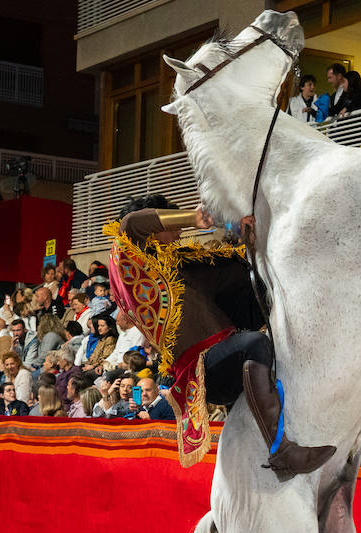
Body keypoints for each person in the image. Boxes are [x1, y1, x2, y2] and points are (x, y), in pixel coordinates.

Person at [111, 195, 338, 476]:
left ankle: (340, 434)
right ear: (156, 227)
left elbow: (240, 281)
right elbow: (130, 224)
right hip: (201, 367)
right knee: (254, 343)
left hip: (227, 357)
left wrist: (251, 242)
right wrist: (194, 218)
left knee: (284, 355)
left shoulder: (185, 267)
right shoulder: (131, 265)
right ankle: (282, 452)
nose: (181, 232)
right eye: (174, 224)